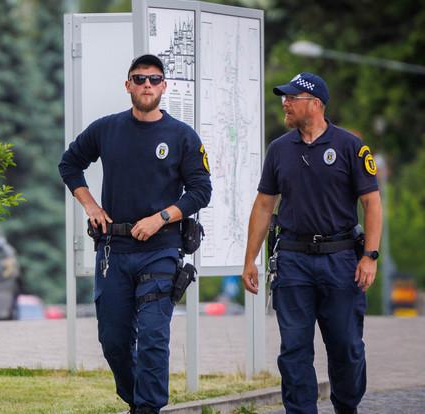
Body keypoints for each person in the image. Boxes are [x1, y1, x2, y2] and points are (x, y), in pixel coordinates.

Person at [58, 54, 211, 414]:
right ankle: (134, 399)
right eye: (139, 78)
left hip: (161, 249)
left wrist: (161, 218)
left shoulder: (181, 136)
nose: (147, 85)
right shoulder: (107, 129)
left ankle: (148, 408)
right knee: (112, 340)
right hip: (114, 251)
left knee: (154, 338)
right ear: (127, 85)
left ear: (164, 87)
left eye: (154, 79)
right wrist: (91, 207)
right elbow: (70, 164)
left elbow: (200, 190)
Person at [241, 72, 382, 414]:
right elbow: (263, 205)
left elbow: (372, 204)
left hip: (341, 261)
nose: (285, 104)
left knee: (346, 348)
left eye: (292, 98)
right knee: (294, 350)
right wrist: (250, 260)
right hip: (293, 261)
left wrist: (370, 256)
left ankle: (347, 406)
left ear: (316, 104)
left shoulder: (350, 147)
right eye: (283, 98)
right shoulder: (279, 150)